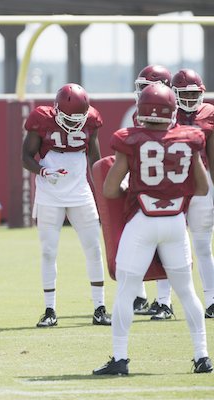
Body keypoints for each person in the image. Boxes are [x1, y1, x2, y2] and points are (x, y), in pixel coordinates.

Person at [94, 83, 212, 375]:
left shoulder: (130, 139)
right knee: (186, 291)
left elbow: (109, 190)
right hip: (175, 222)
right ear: (173, 111)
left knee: (126, 290)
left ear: (141, 110)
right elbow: (202, 186)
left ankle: (120, 358)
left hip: (143, 222)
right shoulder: (190, 138)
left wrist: (128, 184)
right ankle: (202, 357)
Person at [22, 83, 111, 328]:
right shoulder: (41, 118)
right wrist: (42, 170)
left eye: (78, 118)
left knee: (93, 248)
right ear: (56, 110)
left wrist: (102, 195)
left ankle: (99, 308)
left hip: (80, 192)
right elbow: (26, 156)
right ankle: (50, 310)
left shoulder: (91, 120)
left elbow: (95, 159)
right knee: (49, 251)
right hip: (50, 193)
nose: (74, 123)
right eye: (68, 117)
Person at [131, 65, 175, 318]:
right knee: (140, 241)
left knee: (165, 247)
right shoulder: (141, 114)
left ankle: (165, 300)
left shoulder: (172, 117)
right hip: (146, 185)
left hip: (168, 189)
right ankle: (142, 297)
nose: (141, 92)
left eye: (145, 87)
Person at [172, 68, 214, 319]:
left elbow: (211, 154)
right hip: (171, 184)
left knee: (201, 244)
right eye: (183, 94)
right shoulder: (164, 109)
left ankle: (211, 299)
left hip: (199, 184)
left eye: (193, 94)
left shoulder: (209, 113)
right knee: (168, 244)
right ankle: (164, 301)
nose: (188, 99)